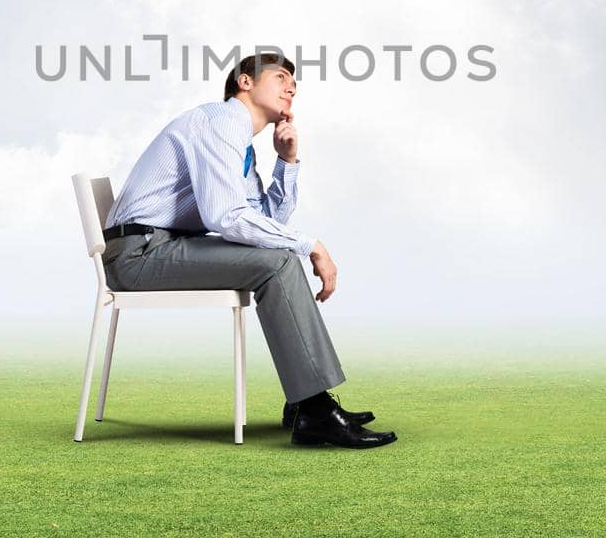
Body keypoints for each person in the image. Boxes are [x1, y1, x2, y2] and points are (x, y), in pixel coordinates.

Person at [100, 52, 397, 448]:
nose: (292, 87)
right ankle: (315, 410)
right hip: (138, 255)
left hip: (164, 244)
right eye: (281, 77)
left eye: (295, 83)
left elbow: (265, 221)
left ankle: (306, 402)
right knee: (277, 263)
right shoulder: (219, 123)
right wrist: (313, 245)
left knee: (279, 257)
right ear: (245, 81)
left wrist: (287, 162)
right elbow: (226, 216)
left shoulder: (241, 145)